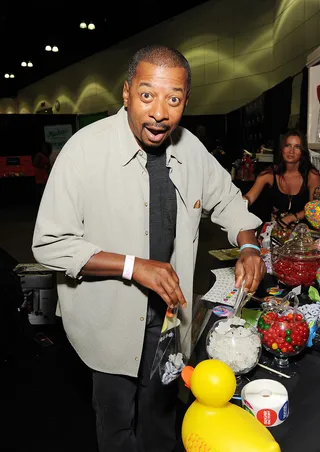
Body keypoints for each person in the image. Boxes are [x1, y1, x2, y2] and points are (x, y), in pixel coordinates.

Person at [32, 44, 265, 452]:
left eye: (173, 99)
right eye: (146, 95)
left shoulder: (190, 149)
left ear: (185, 101)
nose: (160, 112)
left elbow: (230, 203)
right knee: (118, 424)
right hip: (109, 323)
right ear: (126, 93)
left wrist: (250, 248)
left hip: (172, 320)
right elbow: (49, 244)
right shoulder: (84, 152)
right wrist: (133, 266)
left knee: (161, 416)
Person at [243, 129, 320, 226]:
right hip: (275, 232)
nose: (291, 151)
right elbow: (249, 198)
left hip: (303, 235)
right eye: (287, 146)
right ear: (282, 149)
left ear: (302, 151)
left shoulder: (312, 176)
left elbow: (315, 209)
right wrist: (237, 203)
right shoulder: (269, 174)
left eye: (297, 147)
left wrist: (293, 217)